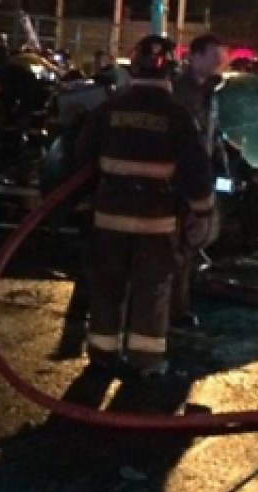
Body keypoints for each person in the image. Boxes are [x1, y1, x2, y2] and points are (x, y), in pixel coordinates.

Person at [75, 35, 214, 378]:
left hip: (109, 219)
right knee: (151, 292)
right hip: (156, 223)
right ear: (171, 71)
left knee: (107, 288)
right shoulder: (179, 116)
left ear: (133, 68)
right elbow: (197, 172)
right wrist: (203, 212)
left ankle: (102, 354)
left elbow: (81, 160)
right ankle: (145, 362)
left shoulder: (107, 110)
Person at [169, 34, 226, 328]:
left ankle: (178, 306)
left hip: (199, 175)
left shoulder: (210, 93)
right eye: (214, 56)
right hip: (177, 179)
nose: (220, 62)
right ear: (195, 56)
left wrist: (222, 166)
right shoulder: (178, 91)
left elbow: (212, 134)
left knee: (189, 243)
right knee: (177, 245)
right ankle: (173, 310)